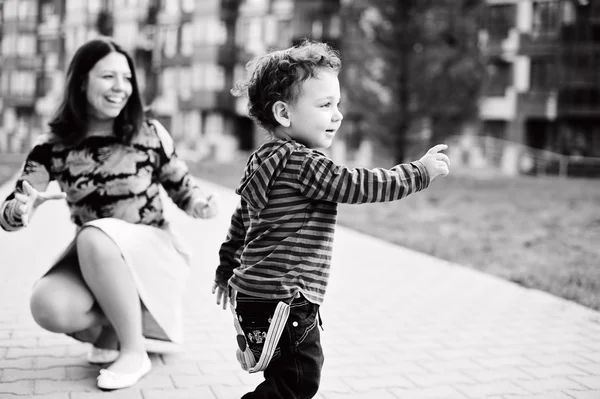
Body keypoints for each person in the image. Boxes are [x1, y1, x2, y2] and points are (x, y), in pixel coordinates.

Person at [211, 40, 450, 398]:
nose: (337, 115)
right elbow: (357, 184)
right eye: (325, 105)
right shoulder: (303, 163)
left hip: (252, 295)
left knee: (283, 379)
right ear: (284, 114)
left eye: (337, 104)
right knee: (297, 382)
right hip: (288, 299)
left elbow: (241, 220)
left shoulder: (261, 160)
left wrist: (225, 268)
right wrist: (418, 173)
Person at [0, 37, 218, 390]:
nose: (121, 87)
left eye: (127, 78)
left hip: (150, 250)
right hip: (97, 257)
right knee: (47, 304)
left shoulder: (148, 132)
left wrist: (201, 204)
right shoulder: (51, 145)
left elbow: (182, 187)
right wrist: (19, 210)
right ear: (82, 81)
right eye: (108, 77)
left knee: (95, 234)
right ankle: (113, 331)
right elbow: (14, 204)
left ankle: (134, 351)